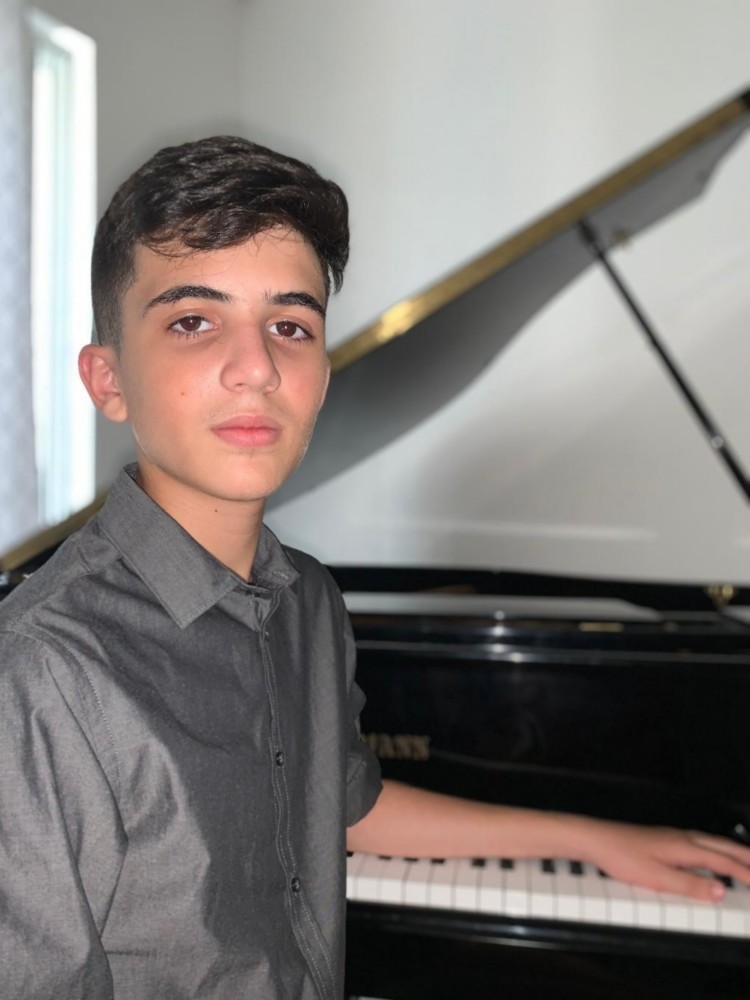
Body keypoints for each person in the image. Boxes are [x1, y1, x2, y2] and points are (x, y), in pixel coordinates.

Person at [1, 136, 749, 1000]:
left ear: (322, 374)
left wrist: (591, 839)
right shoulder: (41, 670)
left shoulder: (308, 600)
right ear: (107, 380)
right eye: (193, 321)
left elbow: (345, 803)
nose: (257, 367)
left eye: (290, 326)